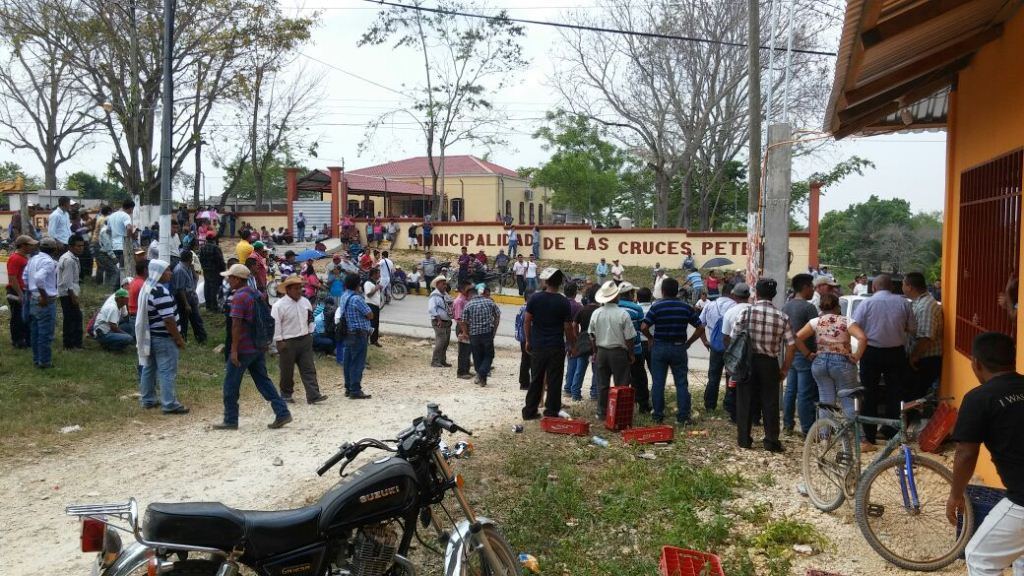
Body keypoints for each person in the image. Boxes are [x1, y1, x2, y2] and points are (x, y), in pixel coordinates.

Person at [946, 332, 1024, 575]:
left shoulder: (979, 398)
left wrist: (956, 495)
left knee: (980, 557)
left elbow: (966, 453)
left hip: (1022, 499)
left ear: (976, 363)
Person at [213, 263, 292, 429]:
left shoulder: (239, 297)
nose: (228, 279)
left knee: (230, 385)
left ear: (237, 279)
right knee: (264, 382)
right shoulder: (256, 294)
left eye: (230, 277)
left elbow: (236, 325)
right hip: (257, 346)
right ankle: (282, 412)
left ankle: (230, 420)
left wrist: (233, 350)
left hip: (243, 348)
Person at [730, 278, 795, 452]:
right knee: (770, 402)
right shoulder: (782, 317)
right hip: (770, 363)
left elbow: (734, 337)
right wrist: (785, 368)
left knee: (745, 400)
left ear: (756, 293)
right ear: (773, 295)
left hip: (747, 362)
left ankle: (744, 439)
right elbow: (791, 345)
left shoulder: (745, 313)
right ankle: (771, 441)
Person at [852, 273, 915, 446]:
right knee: (895, 393)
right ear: (892, 287)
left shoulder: (866, 303)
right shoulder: (904, 303)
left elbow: (854, 326)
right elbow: (912, 328)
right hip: (896, 353)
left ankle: (869, 436)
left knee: (869, 392)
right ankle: (892, 434)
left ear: (873, 288)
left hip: (871, 353)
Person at [794, 293, 867, 439]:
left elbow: (796, 337)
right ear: (838, 307)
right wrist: (857, 355)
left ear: (821, 307)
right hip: (842, 362)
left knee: (826, 400)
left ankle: (824, 436)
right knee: (848, 399)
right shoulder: (847, 321)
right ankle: (859, 439)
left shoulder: (816, 321)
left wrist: (808, 354)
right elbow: (863, 338)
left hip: (820, 362)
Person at [641, 277, 704, 425]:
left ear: (662, 291)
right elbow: (700, 327)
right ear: (677, 292)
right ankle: (683, 417)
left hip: (659, 347)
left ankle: (657, 415)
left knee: (658, 383)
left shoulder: (656, 307)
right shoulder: (685, 307)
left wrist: (650, 339)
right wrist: (688, 343)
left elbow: (644, 327)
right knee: (681, 383)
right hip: (678, 347)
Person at [134, 259, 189, 414]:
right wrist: (178, 338)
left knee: (149, 367)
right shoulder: (160, 292)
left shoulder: (147, 287)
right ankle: (169, 403)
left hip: (150, 335)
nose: (170, 273)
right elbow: (168, 320)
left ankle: (147, 399)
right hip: (164, 338)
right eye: (167, 271)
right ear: (159, 273)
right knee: (167, 370)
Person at [522, 267, 575, 420]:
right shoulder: (564, 302)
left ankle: (530, 411)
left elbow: (527, 320)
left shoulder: (535, 298)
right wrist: (571, 344)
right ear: (560, 283)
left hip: (538, 345)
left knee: (536, 379)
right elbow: (567, 327)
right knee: (554, 380)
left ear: (546, 281)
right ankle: (551, 411)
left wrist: (528, 340)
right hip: (556, 346)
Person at [272, 276, 327, 405]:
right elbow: (276, 324)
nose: (299, 290)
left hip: (305, 339)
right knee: (287, 370)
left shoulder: (305, 302)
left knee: (308, 368)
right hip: (287, 341)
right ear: (288, 290)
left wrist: (310, 333)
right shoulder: (279, 305)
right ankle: (286, 394)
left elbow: (310, 318)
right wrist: (279, 340)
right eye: (296, 288)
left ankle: (313, 394)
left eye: (300, 287)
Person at [589, 281, 637, 420]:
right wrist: (631, 353)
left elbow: (592, 336)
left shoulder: (596, 313)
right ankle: (619, 413)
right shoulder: (623, 314)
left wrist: (595, 351)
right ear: (616, 297)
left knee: (602, 384)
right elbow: (629, 338)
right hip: (619, 353)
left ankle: (602, 412)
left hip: (601, 351)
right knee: (621, 383)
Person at [782, 273, 819, 436]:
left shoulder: (786, 306)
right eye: (811, 287)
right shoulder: (809, 307)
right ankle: (807, 428)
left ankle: (788, 424)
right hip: (806, 354)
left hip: (790, 353)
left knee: (790, 390)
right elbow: (816, 331)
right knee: (805, 393)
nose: (813, 290)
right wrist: (808, 353)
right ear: (805, 288)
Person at [700, 282, 739, 412]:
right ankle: (729, 406)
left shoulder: (710, 305)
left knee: (713, 376)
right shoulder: (737, 307)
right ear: (733, 293)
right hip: (732, 348)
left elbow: (700, 325)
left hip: (715, 347)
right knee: (731, 377)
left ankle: (710, 405)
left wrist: (705, 341)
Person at [335, 273, 374, 399]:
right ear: (358, 284)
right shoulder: (357, 298)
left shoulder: (344, 296)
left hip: (348, 333)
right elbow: (370, 314)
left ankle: (348, 387)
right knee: (357, 362)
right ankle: (355, 390)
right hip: (358, 334)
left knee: (348, 361)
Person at [904, 271, 943, 398]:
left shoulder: (926, 306)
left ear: (909, 287)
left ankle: (910, 417)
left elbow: (926, 337)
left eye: (903, 285)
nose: (902, 288)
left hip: (925, 359)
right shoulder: (919, 303)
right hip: (922, 358)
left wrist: (914, 356)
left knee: (914, 395)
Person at [26, 237, 60, 368]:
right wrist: (44, 296)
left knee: (35, 332)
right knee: (45, 333)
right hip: (45, 300)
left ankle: (37, 359)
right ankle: (45, 362)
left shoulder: (34, 259)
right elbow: (39, 278)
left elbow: (29, 277)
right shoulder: (48, 261)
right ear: (54, 249)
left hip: (34, 298)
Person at [618, 282, 652, 413]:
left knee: (621, 378)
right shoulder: (635, 309)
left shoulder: (613, 307)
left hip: (617, 348)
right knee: (639, 377)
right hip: (635, 349)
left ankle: (621, 405)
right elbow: (640, 328)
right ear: (631, 294)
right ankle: (643, 405)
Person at [462, 284, 501, 386]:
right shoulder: (489, 302)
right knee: (489, 355)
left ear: (471, 294)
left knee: (477, 356)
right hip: (487, 334)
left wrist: (466, 333)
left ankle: (481, 376)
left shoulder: (468, 305)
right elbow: (497, 315)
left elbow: (463, 321)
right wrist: (495, 330)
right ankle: (482, 374)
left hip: (474, 335)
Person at [6, 235, 36, 348]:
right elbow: (12, 278)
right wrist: (20, 294)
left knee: (24, 317)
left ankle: (25, 339)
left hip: (23, 291)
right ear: (23, 246)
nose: (32, 247)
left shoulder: (23, 258)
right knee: (17, 317)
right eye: (30, 245)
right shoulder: (15, 258)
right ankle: (17, 340)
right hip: (16, 291)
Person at [172, 250, 206, 344]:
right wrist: (186, 304)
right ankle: (183, 339)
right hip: (183, 298)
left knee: (196, 318)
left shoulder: (188, 267)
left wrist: (192, 269)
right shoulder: (179, 270)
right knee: (183, 320)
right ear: (189, 259)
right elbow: (180, 289)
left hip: (191, 296)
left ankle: (201, 338)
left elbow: (196, 278)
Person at [57, 235, 85, 349]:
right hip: (68, 294)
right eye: (78, 246)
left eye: (82, 246)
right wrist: (73, 296)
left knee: (74, 318)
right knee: (72, 318)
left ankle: (73, 343)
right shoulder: (68, 260)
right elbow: (67, 281)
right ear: (71, 246)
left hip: (70, 293)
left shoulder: (73, 257)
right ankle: (70, 344)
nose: (81, 248)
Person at [107, 198, 135, 284]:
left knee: (117, 269)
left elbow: (108, 231)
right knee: (123, 269)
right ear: (130, 208)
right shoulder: (125, 216)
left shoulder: (111, 216)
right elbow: (129, 228)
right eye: (132, 210)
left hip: (113, 247)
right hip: (123, 246)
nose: (132, 212)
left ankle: (114, 288)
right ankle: (119, 288)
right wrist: (129, 237)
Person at [428, 276, 453, 367]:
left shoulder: (444, 294)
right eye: (443, 284)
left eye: (445, 283)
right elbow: (431, 309)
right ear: (437, 284)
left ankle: (442, 360)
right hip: (439, 321)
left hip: (447, 321)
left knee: (446, 342)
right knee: (441, 341)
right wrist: (439, 319)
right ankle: (435, 361)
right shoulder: (434, 295)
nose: (445, 285)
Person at [452, 279, 474, 380]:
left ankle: (467, 370)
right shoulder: (459, 301)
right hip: (462, 327)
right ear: (462, 289)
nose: (470, 290)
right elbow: (459, 318)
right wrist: (464, 331)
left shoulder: (466, 299)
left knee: (468, 350)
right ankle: (461, 372)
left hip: (467, 327)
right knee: (463, 351)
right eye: (468, 289)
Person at [198, 234, 226, 312]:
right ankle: (214, 307)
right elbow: (220, 261)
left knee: (207, 287)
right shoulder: (216, 248)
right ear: (214, 240)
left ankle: (208, 306)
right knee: (214, 289)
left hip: (206, 271)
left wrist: (204, 268)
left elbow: (201, 260)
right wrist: (223, 271)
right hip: (216, 271)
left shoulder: (202, 248)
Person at [514, 287, 535, 390]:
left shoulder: (522, 308)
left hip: (523, 338)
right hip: (528, 338)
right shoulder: (529, 309)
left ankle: (524, 382)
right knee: (530, 360)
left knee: (525, 360)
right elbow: (529, 324)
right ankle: (526, 382)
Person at [363, 268, 384, 348]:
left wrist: (379, 288)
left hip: (376, 306)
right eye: (378, 273)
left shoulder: (375, 283)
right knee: (371, 324)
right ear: (374, 274)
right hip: (370, 305)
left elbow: (376, 295)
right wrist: (376, 288)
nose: (379, 275)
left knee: (376, 324)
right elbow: (368, 294)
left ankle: (374, 340)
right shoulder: (368, 283)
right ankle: (368, 340)